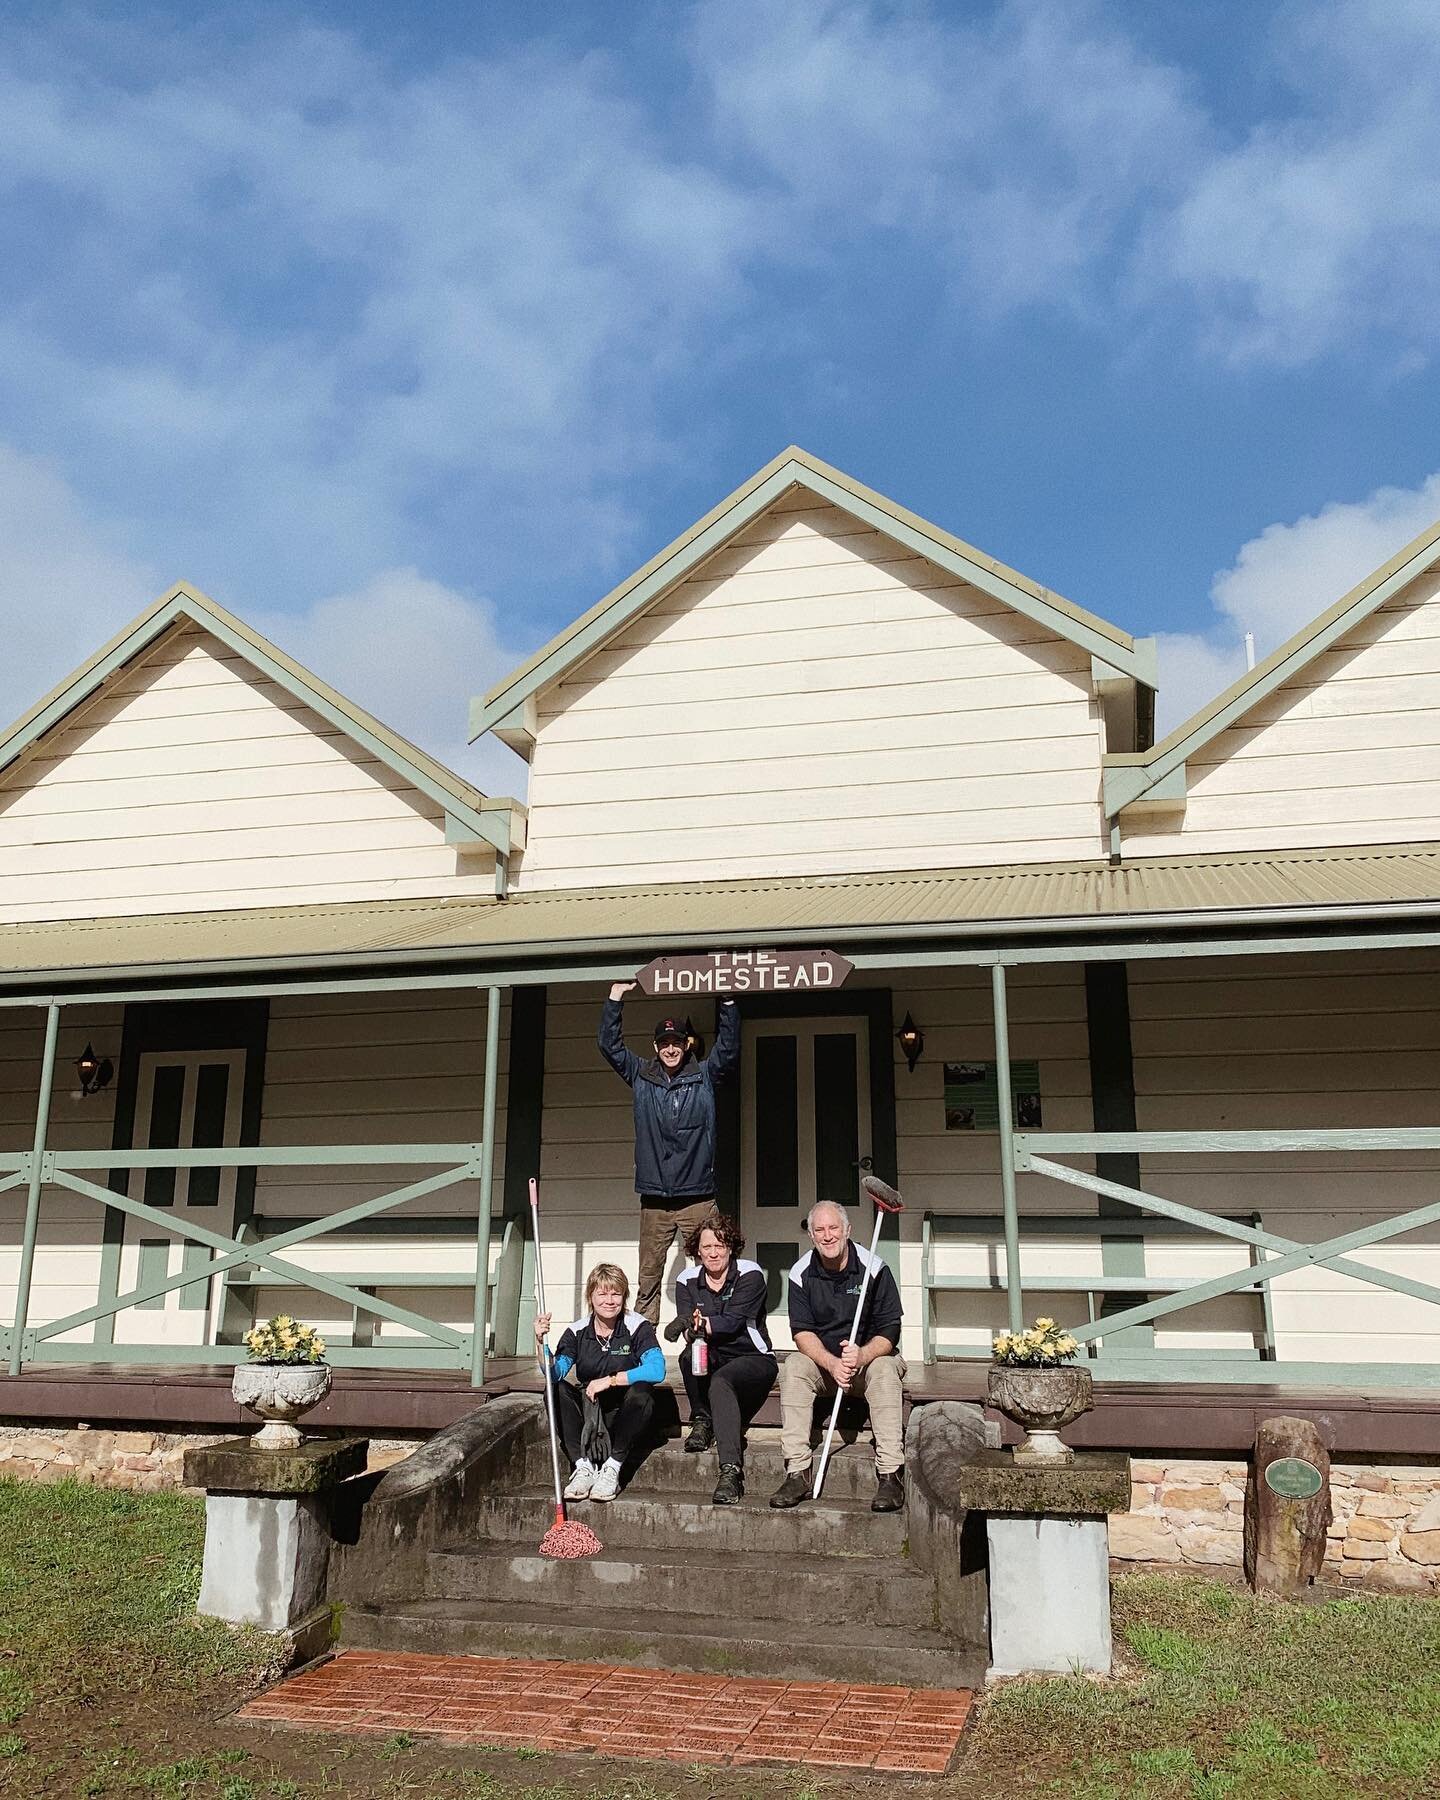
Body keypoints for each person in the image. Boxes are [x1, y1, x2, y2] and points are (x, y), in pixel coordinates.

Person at [599, 981, 740, 1325]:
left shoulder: (704, 1075)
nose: (671, 1049)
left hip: (698, 1197)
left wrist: (727, 999)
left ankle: (714, 1336)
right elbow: (609, 1045)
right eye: (664, 1043)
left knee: (714, 1268)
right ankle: (644, 1347)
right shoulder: (641, 1075)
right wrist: (615, 997)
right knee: (648, 1276)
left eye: (677, 1042)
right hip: (655, 1199)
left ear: (686, 1045)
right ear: (656, 1047)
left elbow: (729, 1047)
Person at [769, 1200, 906, 1513]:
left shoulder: (874, 1268)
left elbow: (890, 1330)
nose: (827, 1236)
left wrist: (862, 1356)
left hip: (868, 1363)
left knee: (885, 1368)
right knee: (793, 1366)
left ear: (848, 1231)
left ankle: (890, 1474)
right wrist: (831, 1363)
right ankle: (797, 1472)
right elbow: (802, 1333)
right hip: (826, 1366)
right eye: (820, 1230)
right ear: (812, 1236)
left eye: (834, 1228)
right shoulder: (801, 1273)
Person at [668, 1210, 777, 1506]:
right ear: (697, 1251)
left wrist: (701, 1323)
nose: (713, 1253)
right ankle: (703, 1419)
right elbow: (687, 1324)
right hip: (711, 1350)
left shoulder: (750, 1273)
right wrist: (689, 1327)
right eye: (707, 1247)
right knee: (690, 1355)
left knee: (721, 1381)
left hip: (751, 1355)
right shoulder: (687, 1279)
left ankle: (730, 1471)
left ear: (731, 1247)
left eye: (720, 1246)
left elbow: (734, 1321)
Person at [535, 1262, 665, 1502]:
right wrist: (540, 1342)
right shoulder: (577, 1331)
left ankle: (612, 1468)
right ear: (590, 1297)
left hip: (624, 1413)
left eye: (616, 1293)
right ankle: (583, 1467)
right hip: (590, 1412)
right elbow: (556, 1373)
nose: (609, 1300)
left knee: (642, 1391)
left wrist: (611, 1380)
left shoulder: (637, 1326)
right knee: (554, 1390)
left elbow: (657, 1370)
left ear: (624, 1296)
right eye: (602, 1293)